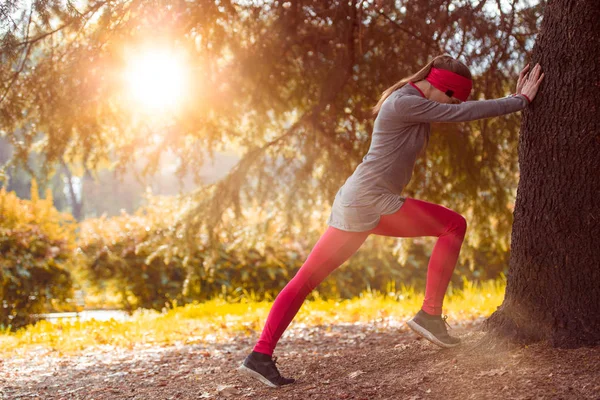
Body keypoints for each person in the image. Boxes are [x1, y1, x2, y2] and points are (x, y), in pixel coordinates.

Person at [238, 54, 545, 388]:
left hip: (360, 202)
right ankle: (429, 315)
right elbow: (460, 113)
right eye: (454, 96)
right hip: (369, 201)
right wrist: (519, 101)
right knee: (453, 225)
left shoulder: (413, 100)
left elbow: (457, 107)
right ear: (443, 87)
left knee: (307, 278)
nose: (454, 104)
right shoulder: (405, 103)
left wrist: (513, 98)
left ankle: (260, 355)